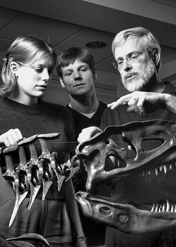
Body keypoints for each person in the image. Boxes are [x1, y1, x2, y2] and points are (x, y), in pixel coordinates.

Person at [79, 27, 176, 247]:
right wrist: (95, 142)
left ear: (154, 56)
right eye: (119, 61)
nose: (125, 66)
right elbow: (108, 173)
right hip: (125, 235)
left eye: (133, 56)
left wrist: (165, 100)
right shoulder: (112, 112)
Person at [0, 35, 83, 247]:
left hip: (59, 220)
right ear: (14, 67)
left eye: (49, 69)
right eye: (39, 69)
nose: (46, 77)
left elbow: (70, 183)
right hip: (9, 220)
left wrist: (80, 235)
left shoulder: (63, 116)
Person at [56, 47, 107, 246]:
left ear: (94, 73)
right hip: (75, 226)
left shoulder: (115, 115)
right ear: (61, 81)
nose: (77, 76)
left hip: (114, 221)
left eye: (82, 69)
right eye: (69, 73)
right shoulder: (56, 122)